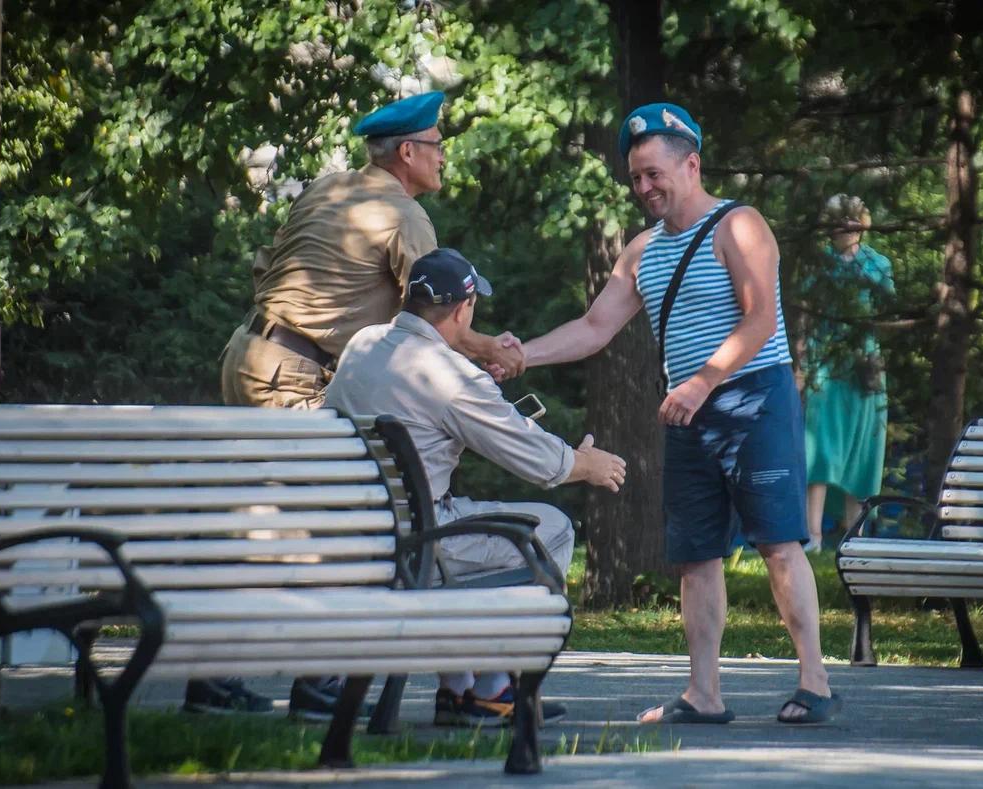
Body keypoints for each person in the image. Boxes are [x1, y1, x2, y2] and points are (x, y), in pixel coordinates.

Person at [189, 91, 524, 719]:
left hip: (249, 353)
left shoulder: (328, 188)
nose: (445, 156)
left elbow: (274, 271)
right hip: (295, 376)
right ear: (408, 152)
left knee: (265, 516)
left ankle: (213, 676)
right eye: (437, 144)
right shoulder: (404, 217)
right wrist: (490, 350)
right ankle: (319, 685)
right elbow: (431, 315)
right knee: (340, 522)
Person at [518, 102, 840, 724]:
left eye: (654, 173)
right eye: (635, 177)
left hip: (753, 399)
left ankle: (816, 682)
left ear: (691, 164)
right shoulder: (641, 251)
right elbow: (593, 328)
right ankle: (703, 695)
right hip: (690, 415)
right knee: (696, 557)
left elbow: (760, 319)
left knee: (778, 542)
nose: (644, 188)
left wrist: (702, 381)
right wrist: (518, 358)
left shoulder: (738, 226)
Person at [324, 247, 627, 726]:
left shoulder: (363, 344)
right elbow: (539, 462)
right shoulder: (452, 377)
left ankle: (456, 686)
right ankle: (492, 690)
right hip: (411, 543)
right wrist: (586, 463)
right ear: (464, 309)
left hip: (356, 534)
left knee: (459, 516)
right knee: (552, 529)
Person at [803, 194, 895, 552]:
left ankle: (854, 536)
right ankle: (812, 535)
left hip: (866, 367)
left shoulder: (878, 264)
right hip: (823, 364)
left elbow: (887, 316)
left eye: (851, 219)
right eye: (838, 220)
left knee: (863, 449)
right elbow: (805, 316)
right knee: (819, 447)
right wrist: (801, 365)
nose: (845, 227)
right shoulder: (818, 264)